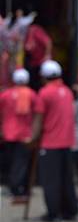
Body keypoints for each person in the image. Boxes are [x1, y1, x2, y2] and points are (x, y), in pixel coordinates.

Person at [30, 60, 78, 222]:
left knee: (51, 180)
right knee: (66, 179)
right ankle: (70, 210)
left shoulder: (44, 93)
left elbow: (38, 118)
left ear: (44, 76)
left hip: (50, 143)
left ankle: (54, 212)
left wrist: (32, 137)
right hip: (67, 141)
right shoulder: (67, 91)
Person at [0, 68, 37, 203]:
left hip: (8, 134)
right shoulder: (32, 94)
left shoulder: (5, 95)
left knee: (12, 162)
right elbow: (37, 113)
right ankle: (17, 188)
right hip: (25, 135)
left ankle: (14, 186)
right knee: (21, 163)